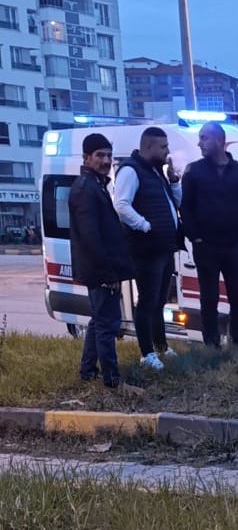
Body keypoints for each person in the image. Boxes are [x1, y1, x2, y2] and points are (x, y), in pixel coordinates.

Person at [180, 121, 238, 348]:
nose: (200, 143)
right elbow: (186, 207)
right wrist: (195, 237)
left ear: (219, 140)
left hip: (235, 246)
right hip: (206, 245)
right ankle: (211, 343)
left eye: (204, 138)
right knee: (209, 297)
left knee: (237, 295)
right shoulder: (194, 171)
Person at [114, 126, 182, 370]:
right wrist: (145, 225)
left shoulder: (156, 172)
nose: (167, 151)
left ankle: (161, 346)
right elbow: (121, 205)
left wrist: (174, 182)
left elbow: (176, 203)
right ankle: (147, 353)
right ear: (149, 147)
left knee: (159, 302)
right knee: (147, 301)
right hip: (146, 249)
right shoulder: (131, 171)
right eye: (163, 147)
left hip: (164, 248)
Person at [69, 133, 134, 388]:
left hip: (101, 268)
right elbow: (91, 237)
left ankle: (88, 371)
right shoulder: (86, 189)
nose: (106, 160)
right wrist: (108, 276)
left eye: (109, 155)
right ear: (87, 158)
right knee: (108, 325)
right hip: (99, 270)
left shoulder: (95, 185)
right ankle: (112, 380)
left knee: (99, 321)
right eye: (100, 155)